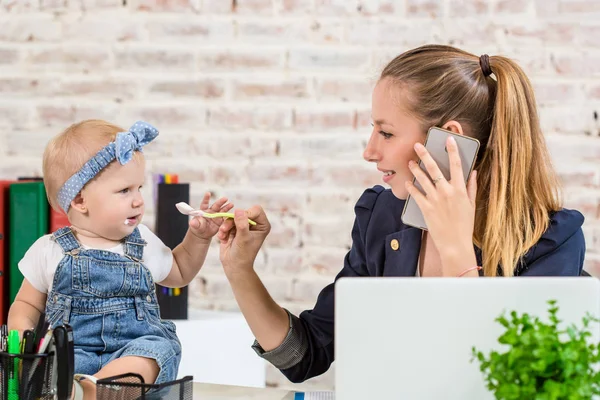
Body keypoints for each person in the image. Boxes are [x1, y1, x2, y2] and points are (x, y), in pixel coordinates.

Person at [216, 44, 586, 383]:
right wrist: (240, 270)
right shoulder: (382, 217)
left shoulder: (550, 241)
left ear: (447, 140)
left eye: (386, 133)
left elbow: (514, 383)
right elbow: (306, 354)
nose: (370, 151)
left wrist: (455, 247)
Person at [7, 120, 232, 399]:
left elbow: (180, 271)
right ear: (80, 201)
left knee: (157, 350)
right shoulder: (49, 249)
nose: (138, 200)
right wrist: (23, 338)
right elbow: (26, 303)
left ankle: (90, 391)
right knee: (50, 367)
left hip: (134, 350)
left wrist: (198, 239)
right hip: (73, 356)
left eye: (138, 188)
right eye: (125, 191)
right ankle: (77, 389)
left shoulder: (143, 241)